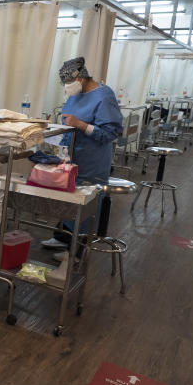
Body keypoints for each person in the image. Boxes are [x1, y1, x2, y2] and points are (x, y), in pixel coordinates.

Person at [41, 57, 122, 254]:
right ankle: (62, 237)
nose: (67, 88)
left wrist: (82, 125)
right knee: (67, 200)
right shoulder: (75, 95)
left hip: (91, 160)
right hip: (71, 156)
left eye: (69, 83)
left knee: (84, 204)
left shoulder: (104, 96)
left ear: (82, 79)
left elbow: (111, 133)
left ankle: (77, 251)